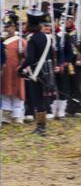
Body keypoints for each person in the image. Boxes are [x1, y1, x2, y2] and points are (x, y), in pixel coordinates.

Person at [18, 8, 57, 136]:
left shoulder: (32, 39)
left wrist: (21, 67)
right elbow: (51, 55)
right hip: (45, 72)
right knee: (41, 100)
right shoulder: (46, 38)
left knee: (38, 100)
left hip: (35, 73)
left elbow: (30, 58)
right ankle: (41, 127)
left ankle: (41, 128)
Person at [1, 11, 27, 124]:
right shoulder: (2, 40)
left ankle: (17, 116)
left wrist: (23, 65)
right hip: (4, 71)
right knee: (5, 93)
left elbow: (26, 57)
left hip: (16, 71)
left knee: (17, 93)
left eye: (9, 26)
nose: (7, 28)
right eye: (6, 26)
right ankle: (6, 116)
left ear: (14, 26)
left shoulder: (21, 41)